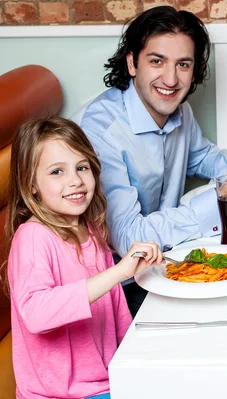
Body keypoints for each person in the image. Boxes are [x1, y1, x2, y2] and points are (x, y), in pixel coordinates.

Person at [75, 6, 227, 315]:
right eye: (157, 61)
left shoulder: (178, 110)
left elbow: (201, 156)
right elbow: (128, 238)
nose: (171, 79)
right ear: (132, 62)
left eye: (183, 64)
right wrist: (226, 194)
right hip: (119, 288)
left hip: (166, 259)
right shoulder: (98, 132)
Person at [3, 117, 163, 399]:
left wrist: (136, 360)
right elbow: (36, 314)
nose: (75, 180)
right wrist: (118, 272)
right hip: (58, 395)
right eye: (57, 172)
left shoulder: (90, 231)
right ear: (31, 186)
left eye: (81, 167)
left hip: (106, 383)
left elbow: (117, 314)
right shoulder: (31, 237)